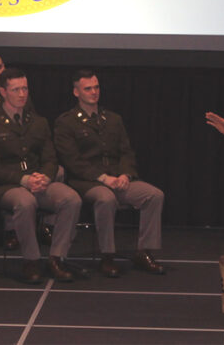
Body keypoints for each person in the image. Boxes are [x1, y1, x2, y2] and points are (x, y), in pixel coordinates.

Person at [53, 70, 165, 277]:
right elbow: (72, 161)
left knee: (154, 195)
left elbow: (126, 152)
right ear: (76, 92)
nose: (94, 92)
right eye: (88, 88)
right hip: (87, 181)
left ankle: (144, 251)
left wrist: (125, 175)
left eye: (96, 87)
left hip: (117, 178)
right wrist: (104, 178)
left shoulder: (113, 119)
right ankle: (107, 256)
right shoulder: (66, 122)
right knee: (106, 199)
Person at [0, 68, 81, 284]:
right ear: (3, 92)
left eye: (24, 88)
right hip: (5, 185)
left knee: (71, 199)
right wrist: (24, 180)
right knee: (25, 202)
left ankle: (56, 257)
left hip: (38, 181)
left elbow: (50, 158)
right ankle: (31, 260)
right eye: (16, 90)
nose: (22, 94)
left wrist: (45, 177)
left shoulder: (38, 122)